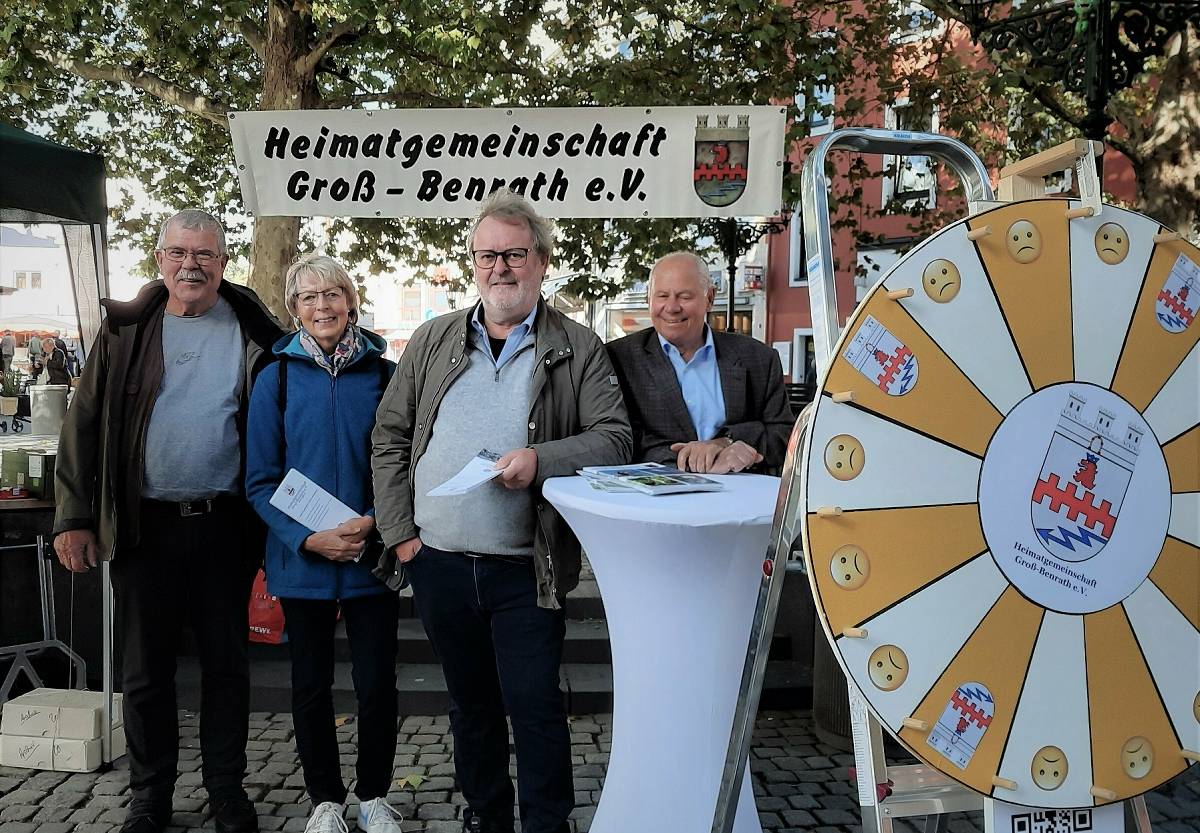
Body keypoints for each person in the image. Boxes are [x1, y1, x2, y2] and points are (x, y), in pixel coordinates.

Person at [371, 190, 631, 833]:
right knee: (470, 703)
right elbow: (390, 436)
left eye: (515, 254)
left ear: (542, 261)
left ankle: (547, 820)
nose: (500, 268)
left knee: (536, 703)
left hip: (526, 566)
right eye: (487, 255)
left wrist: (540, 458)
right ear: (472, 262)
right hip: (439, 561)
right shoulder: (433, 339)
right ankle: (486, 813)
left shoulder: (576, 344)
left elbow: (615, 437)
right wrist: (403, 538)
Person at [52, 209, 284, 833]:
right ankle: (150, 793)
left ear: (222, 263)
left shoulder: (255, 331)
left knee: (226, 666)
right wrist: (75, 515)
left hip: (225, 525)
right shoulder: (127, 330)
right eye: (180, 253)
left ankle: (226, 789)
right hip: (142, 526)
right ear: (160, 260)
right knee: (145, 671)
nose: (192, 265)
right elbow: (83, 425)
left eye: (205, 254)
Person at [245, 254, 403, 833]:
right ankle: (325, 800)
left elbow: (401, 465)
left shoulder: (384, 376)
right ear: (293, 309)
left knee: (376, 682)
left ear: (351, 301)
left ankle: (375, 795)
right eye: (309, 297)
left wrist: (371, 523)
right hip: (302, 558)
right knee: (309, 683)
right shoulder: (277, 377)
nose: (323, 306)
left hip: (370, 552)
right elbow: (259, 480)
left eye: (333, 293)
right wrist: (307, 537)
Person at [606, 251, 793, 474]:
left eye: (685, 297)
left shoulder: (759, 358)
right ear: (649, 299)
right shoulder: (619, 358)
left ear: (710, 299)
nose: (672, 307)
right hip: (655, 501)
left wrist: (727, 442)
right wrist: (696, 458)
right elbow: (620, 436)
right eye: (662, 296)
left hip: (741, 498)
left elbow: (784, 434)